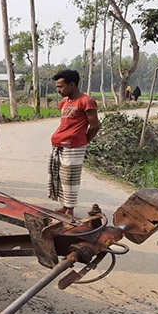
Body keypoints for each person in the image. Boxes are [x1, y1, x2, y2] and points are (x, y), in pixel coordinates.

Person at [48, 70, 100, 216]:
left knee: (71, 178)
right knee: (61, 176)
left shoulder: (86, 101)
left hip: (74, 147)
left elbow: (95, 126)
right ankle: (65, 206)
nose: (58, 90)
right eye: (57, 87)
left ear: (72, 85)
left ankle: (70, 209)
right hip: (59, 145)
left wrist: (83, 141)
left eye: (61, 86)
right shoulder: (64, 102)